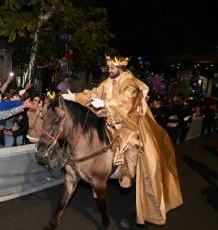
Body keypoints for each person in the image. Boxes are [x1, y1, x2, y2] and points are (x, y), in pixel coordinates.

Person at [62, 55, 182, 225]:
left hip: (129, 121)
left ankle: (127, 172)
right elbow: (94, 93)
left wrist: (105, 104)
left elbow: (127, 100)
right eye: (108, 67)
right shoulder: (108, 81)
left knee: (130, 141)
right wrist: (74, 97)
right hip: (110, 119)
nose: (108, 70)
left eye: (111, 67)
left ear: (121, 68)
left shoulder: (130, 82)